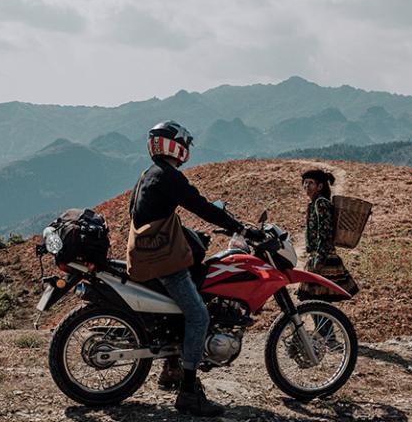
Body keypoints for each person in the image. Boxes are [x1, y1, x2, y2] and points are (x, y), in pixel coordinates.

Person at [129, 120, 263, 417]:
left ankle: (172, 367)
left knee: (191, 299)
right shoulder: (168, 177)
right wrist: (239, 227)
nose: (186, 149)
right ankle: (188, 392)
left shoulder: (147, 175)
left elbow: (153, 216)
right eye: (183, 144)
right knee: (199, 315)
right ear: (173, 146)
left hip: (147, 254)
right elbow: (200, 206)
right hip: (161, 260)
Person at [296, 169, 359, 317]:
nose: (306, 186)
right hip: (318, 257)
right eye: (305, 183)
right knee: (316, 300)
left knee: (315, 300)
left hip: (322, 259)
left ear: (320, 186)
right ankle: (322, 335)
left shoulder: (321, 204)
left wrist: (319, 259)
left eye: (311, 183)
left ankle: (324, 336)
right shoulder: (315, 203)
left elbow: (325, 233)